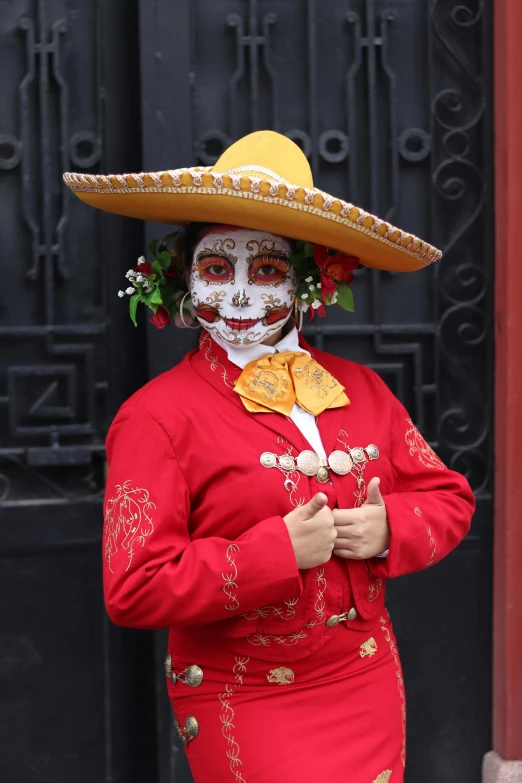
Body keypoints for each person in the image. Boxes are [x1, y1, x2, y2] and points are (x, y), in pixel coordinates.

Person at [64, 131, 475, 783]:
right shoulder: (156, 416)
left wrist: (390, 525)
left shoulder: (361, 389)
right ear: (183, 277)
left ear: (310, 281)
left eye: (268, 269)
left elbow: (450, 498)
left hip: (365, 676)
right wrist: (273, 553)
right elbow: (132, 586)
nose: (240, 295)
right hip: (244, 695)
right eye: (218, 268)